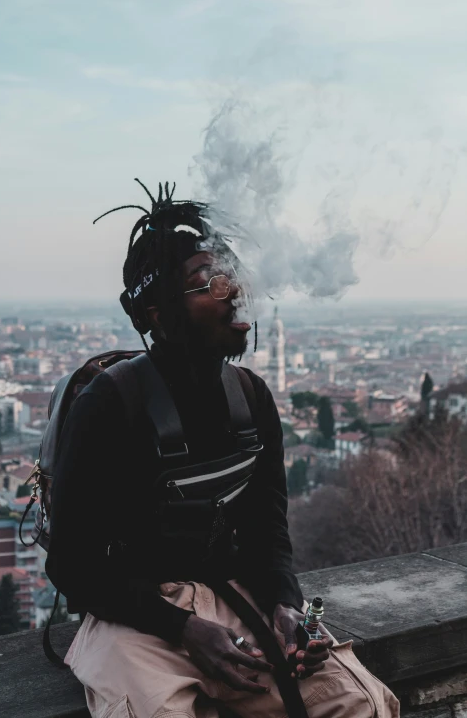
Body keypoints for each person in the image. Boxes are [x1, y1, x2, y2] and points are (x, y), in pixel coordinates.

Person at [46, 181, 399, 718]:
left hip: (237, 597)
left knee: (359, 702)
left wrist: (285, 604)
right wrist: (185, 629)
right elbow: (73, 565)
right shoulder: (108, 407)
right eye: (208, 282)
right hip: (135, 616)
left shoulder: (251, 398)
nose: (232, 289)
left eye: (230, 275)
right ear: (161, 315)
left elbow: (266, 528)